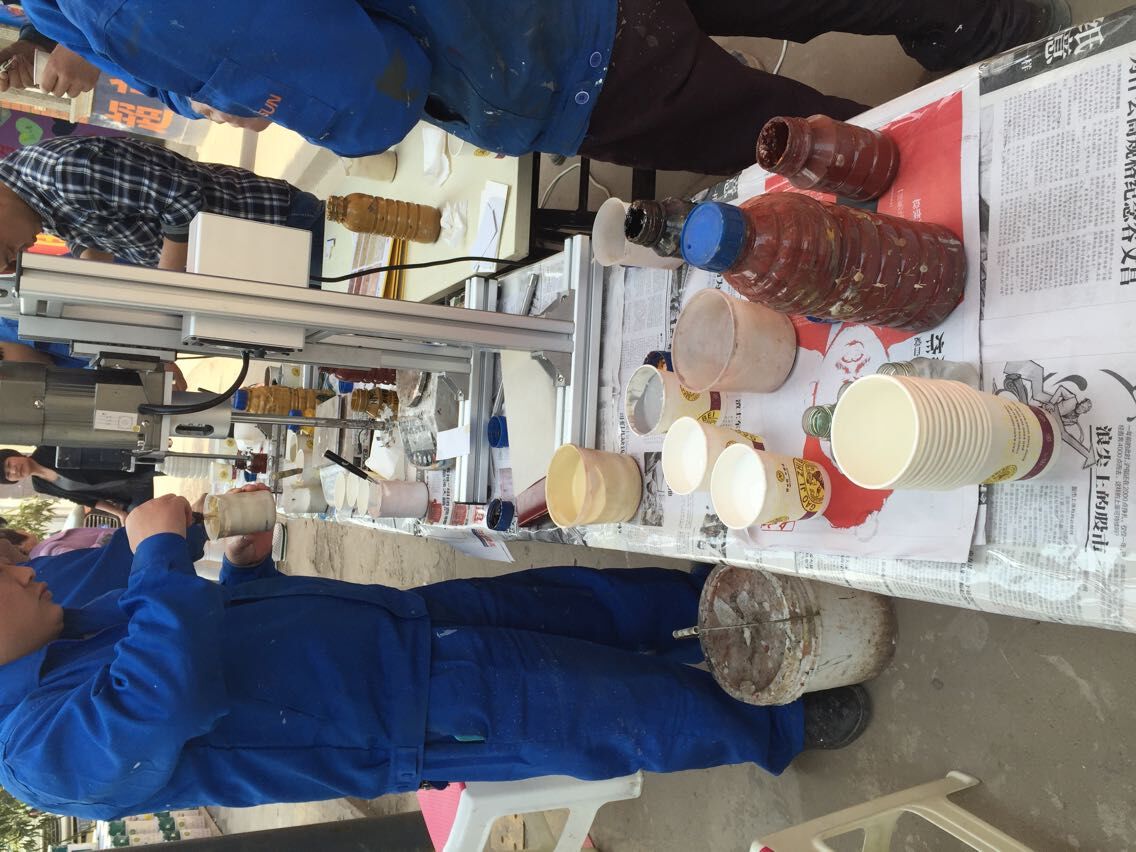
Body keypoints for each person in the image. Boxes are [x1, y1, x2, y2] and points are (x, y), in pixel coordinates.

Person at [0, 487, 870, 819]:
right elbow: (163, 699)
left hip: (402, 627)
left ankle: (716, 603)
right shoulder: (38, 758)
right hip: (414, 713)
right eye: (2, 577)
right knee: (613, 708)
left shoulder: (68, 625)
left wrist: (244, 574)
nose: (25, 569)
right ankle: (777, 724)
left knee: (586, 604)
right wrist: (158, 556)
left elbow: (205, 640)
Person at [19, 0, 1070, 174]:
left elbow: (370, 92)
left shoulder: (109, 7)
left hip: (531, 43)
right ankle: (992, 22)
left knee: (785, 137)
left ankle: (1017, 158)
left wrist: (240, 102)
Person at [0, 136, 326, 279]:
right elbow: (85, 227)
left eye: (8, 250)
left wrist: (169, 288)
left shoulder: (63, 173)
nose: (24, 251)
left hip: (275, 224)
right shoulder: (30, 202)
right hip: (246, 259)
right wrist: (91, 271)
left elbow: (181, 199)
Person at [0, 447, 158, 521]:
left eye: (9, 464)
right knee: (140, 522)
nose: (13, 470)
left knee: (169, 468)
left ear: (14, 454)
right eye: (8, 474)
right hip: (126, 495)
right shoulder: (40, 486)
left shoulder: (46, 449)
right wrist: (119, 513)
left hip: (131, 470)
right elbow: (84, 499)